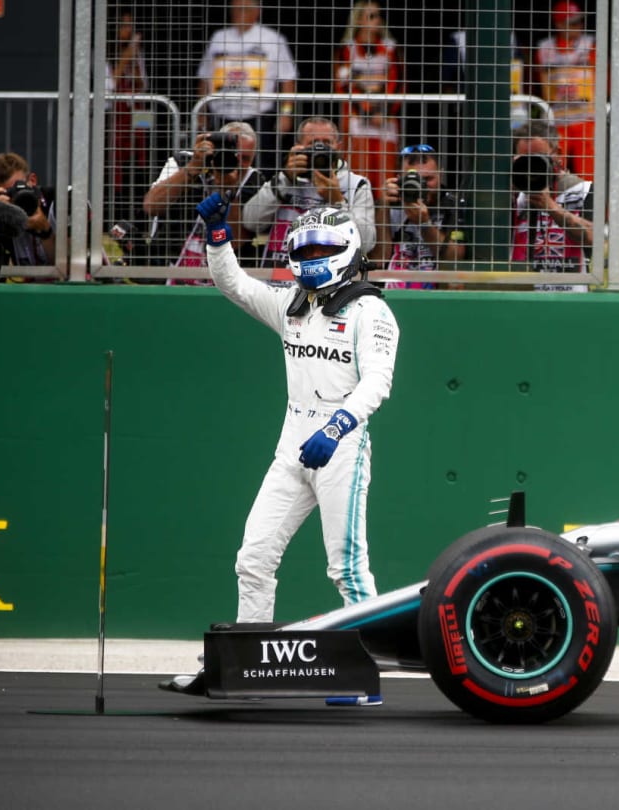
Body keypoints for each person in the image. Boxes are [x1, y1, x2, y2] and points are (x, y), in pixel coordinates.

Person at [194, 192, 399, 624]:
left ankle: (366, 665)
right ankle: (249, 656)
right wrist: (217, 237)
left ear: (348, 250)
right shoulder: (291, 305)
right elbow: (234, 285)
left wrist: (337, 427)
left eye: (323, 249)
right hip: (292, 446)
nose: (313, 257)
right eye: (305, 250)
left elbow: (378, 382)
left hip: (341, 446)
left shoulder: (372, 311)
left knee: (347, 569)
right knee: (253, 557)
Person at [244, 117, 376, 268]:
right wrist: (285, 178)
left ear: (339, 147)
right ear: (298, 147)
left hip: (328, 280)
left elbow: (366, 243)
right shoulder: (285, 178)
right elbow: (251, 222)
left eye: (326, 143)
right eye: (313, 144)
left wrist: (338, 202)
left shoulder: (356, 184)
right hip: (278, 278)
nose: (320, 149)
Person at [142, 122, 262, 272]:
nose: (236, 163)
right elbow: (151, 206)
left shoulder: (253, 180)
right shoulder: (183, 161)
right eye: (231, 153)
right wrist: (193, 167)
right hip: (167, 263)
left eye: (244, 159)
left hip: (222, 271)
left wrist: (227, 191)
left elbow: (236, 242)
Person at [197, 0, 299, 166]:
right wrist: (201, 113)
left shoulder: (273, 39)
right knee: (219, 165)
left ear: (257, 11)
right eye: (236, 9)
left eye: (245, 9)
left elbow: (287, 78)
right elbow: (204, 77)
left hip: (258, 117)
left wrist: (286, 113)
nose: (239, 13)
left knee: (259, 166)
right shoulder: (219, 37)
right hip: (221, 116)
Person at [334, 0, 403, 195]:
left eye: (379, 15)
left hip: (385, 121)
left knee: (385, 182)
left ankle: (382, 224)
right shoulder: (348, 49)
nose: (377, 20)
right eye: (371, 16)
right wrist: (367, 112)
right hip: (357, 122)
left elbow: (398, 83)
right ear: (359, 19)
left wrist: (384, 113)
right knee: (357, 179)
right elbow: (343, 84)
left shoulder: (390, 48)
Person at [373, 144, 466, 287]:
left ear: (440, 174)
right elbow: (379, 260)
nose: (422, 186)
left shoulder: (453, 204)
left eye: (428, 179)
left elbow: (454, 258)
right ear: (398, 178)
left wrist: (424, 224)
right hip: (393, 292)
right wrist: (383, 206)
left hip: (436, 294)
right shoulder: (390, 203)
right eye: (414, 180)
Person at [510, 121, 594, 273]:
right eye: (524, 159)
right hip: (520, 287)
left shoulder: (582, 189)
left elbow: (594, 237)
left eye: (538, 158)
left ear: (558, 154)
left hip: (568, 289)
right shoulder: (512, 192)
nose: (531, 166)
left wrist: (551, 207)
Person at [534, 0, 597, 179]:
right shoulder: (544, 49)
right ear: (559, 23)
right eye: (573, 22)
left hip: (586, 120)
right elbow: (535, 84)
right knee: (554, 172)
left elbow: (605, 82)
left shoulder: (591, 45)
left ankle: (594, 207)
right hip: (556, 121)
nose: (579, 26)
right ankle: (553, 206)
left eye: (580, 22)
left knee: (590, 174)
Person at [106, 7, 150, 225]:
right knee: (117, 164)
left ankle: (138, 216)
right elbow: (110, 83)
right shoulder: (106, 54)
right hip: (116, 115)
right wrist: (128, 53)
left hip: (138, 112)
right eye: (124, 26)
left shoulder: (137, 54)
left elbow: (144, 84)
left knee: (139, 159)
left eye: (130, 26)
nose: (128, 30)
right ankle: (115, 216)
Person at [0, 151, 56, 272]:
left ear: (32, 180)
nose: (17, 198)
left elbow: (68, 270)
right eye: (10, 192)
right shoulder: (3, 217)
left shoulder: (55, 203)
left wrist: (45, 231)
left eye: (20, 188)